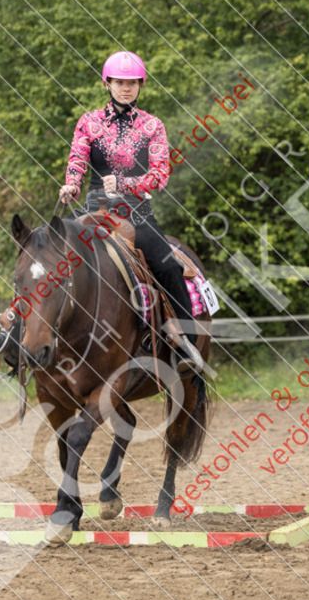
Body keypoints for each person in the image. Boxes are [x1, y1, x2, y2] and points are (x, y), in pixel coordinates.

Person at [58, 50, 203, 374]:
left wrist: (124, 182)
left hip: (136, 213)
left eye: (133, 83)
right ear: (107, 83)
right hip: (94, 209)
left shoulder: (152, 126)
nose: (126, 88)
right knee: (50, 253)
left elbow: (160, 175)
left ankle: (186, 342)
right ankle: (19, 331)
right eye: (120, 82)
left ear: (140, 85)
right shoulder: (89, 122)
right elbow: (78, 160)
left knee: (167, 266)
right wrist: (71, 185)